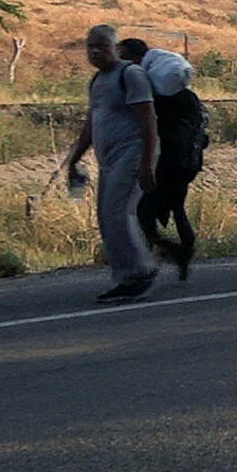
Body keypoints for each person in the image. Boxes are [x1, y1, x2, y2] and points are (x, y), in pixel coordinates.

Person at [63, 25, 161, 303]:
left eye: (103, 46)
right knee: (106, 217)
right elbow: (91, 123)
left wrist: (146, 165)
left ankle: (141, 272)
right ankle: (127, 276)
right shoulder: (97, 80)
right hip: (109, 158)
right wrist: (75, 159)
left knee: (118, 213)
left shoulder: (131, 75)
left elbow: (149, 121)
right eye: (90, 46)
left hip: (132, 153)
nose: (95, 51)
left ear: (116, 48)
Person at [115, 37, 205, 281]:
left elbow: (149, 130)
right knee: (178, 209)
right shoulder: (188, 96)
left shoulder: (155, 96)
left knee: (143, 213)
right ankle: (183, 253)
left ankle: (156, 259)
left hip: (164, 164)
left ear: (134, 60)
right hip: (186, 162)